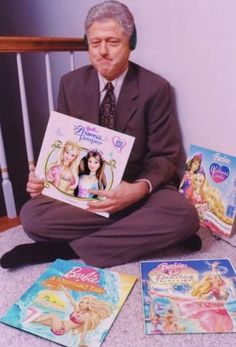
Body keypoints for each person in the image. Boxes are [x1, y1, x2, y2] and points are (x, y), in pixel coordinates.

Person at [0, 0, 200, 270]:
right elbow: (62, 147)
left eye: (112, 42)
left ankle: (67, 249)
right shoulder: (69, 84)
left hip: (137, 187)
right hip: (88, 190)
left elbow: (165, 156)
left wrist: (137, 190)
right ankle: (146, 234)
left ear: (131, 42)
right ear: (87, 44)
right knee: (32, 217)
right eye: (95, 43)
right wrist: (44, 179)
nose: (102, 52)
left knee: (184, 215)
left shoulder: (156, 88)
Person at [24, 287, 112, 346]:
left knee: (53, 316)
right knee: (36, 320)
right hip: (60, 324)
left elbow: (84, 329)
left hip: (62, 329)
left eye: (87, 303)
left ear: (90, 305)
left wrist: (81, 342)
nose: (83, 304)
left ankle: (33, 315)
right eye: (82, 301)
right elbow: (71, 299)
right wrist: (64, 289)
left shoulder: (87, 315)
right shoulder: (77, 308)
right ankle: (26, 317)